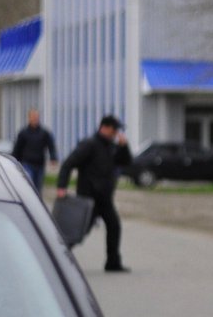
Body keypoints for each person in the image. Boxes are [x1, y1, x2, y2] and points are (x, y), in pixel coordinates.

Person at [56, 115, 133, 272]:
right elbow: (68, 164)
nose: (116, 133)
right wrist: (62, 186)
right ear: (104, 128)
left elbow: (126, 162)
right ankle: (56, 257)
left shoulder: (111, 147)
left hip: (104, 198)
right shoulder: (89, 145)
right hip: (88, 198)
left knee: (114, 226)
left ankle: (112, 262)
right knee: (79, 231)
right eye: (114, 130)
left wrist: (124, 146)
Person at [11, 108, 58, 194]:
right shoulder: (23, 133)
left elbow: (51, 146)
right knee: (29, 184)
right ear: (29, 118)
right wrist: (13, 161)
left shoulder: (44, 133)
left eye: (36, 116)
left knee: (38, 188)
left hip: (40, 164)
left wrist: (53, 158)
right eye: (33, 116)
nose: (35, 118)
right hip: (27, 163)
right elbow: (17, 148)